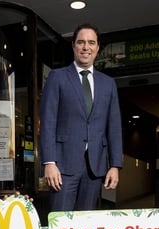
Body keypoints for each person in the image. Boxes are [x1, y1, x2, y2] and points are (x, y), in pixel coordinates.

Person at [39, 23, 123, 212]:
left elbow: (114, 127)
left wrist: (115, 165)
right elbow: (48, 123)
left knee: (84, 227)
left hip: (95, 168)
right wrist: (49, 162)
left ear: (98, 47)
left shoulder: (108, 84)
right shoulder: (57, 77)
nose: (86, 47)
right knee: (60, 224)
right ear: (73, 46)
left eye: (91, 43)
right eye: (81, 42)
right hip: (62, 166)